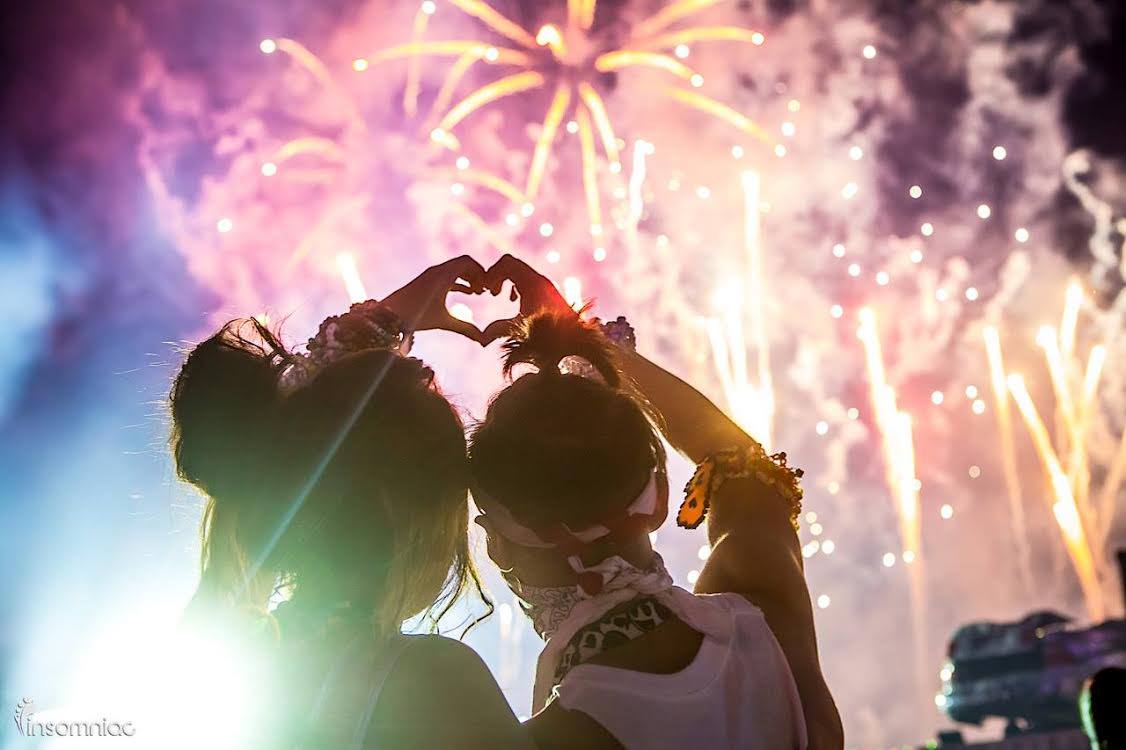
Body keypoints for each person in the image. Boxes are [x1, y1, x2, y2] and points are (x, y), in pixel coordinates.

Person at [468, 255, 843, 749]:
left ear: (497, 545)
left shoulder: (552, 740)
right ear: (662, 496)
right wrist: (588, 342)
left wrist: (365, 341)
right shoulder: (766, 609)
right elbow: (737, 463)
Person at [170, 257, 532, 749]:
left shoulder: (230, 671)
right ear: (412, 522)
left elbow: (313, 433)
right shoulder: (432, 684)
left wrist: (370, 331)